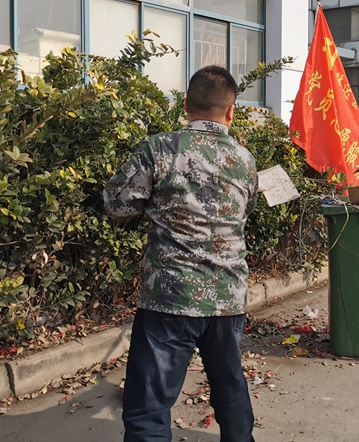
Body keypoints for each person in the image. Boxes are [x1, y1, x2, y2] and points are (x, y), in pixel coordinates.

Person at [103, 66, 258, 442]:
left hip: (170, 297)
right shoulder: (244, 159)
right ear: (231, 111)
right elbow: (245, 211)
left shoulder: (158, 149)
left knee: (149, 405)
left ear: (185, 104)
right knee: (230, 387)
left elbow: (117, 205)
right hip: (227, 299)